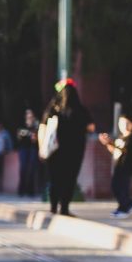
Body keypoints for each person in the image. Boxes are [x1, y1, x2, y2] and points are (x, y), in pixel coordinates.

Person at [41, 79, 95, 216]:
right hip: (74, 151)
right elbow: (91, 127)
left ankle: (53, 207)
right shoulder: (80, 110)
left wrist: (41, 147)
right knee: (69, 178)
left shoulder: (52, 109)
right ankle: (64, 208)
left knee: (54, 178)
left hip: (54, 150)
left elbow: (42, 127)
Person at [99, 112, 132, 218]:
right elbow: (114, 150)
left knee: (122, 188)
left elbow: (124, 150)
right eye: (121, 123)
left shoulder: (130, 137)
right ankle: (126, 205)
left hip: (126, 167)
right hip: (118, 166)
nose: (123, 125)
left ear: (131, 124)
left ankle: (125, 208)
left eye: (126, 123)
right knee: (115, 186)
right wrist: (107, 143)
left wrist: (110, 142)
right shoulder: (120, 137)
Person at [16, 109, 39, 196]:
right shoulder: (22, 124)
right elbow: (19, 135)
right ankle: (21, 190)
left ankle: (31, 191)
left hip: (33, 148)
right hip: (23, 148)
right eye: (28, 114)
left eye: (31, 115)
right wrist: (29, 134)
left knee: (32, 168)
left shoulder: (36, 124)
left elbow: (36, 137)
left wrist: (30, 134)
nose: (29, 116)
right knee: (23, 168)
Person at [0, 121, 13, 193]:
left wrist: (7, 151)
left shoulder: (5, 134)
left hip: (1, 154)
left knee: (0, 172)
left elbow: (9, 144)